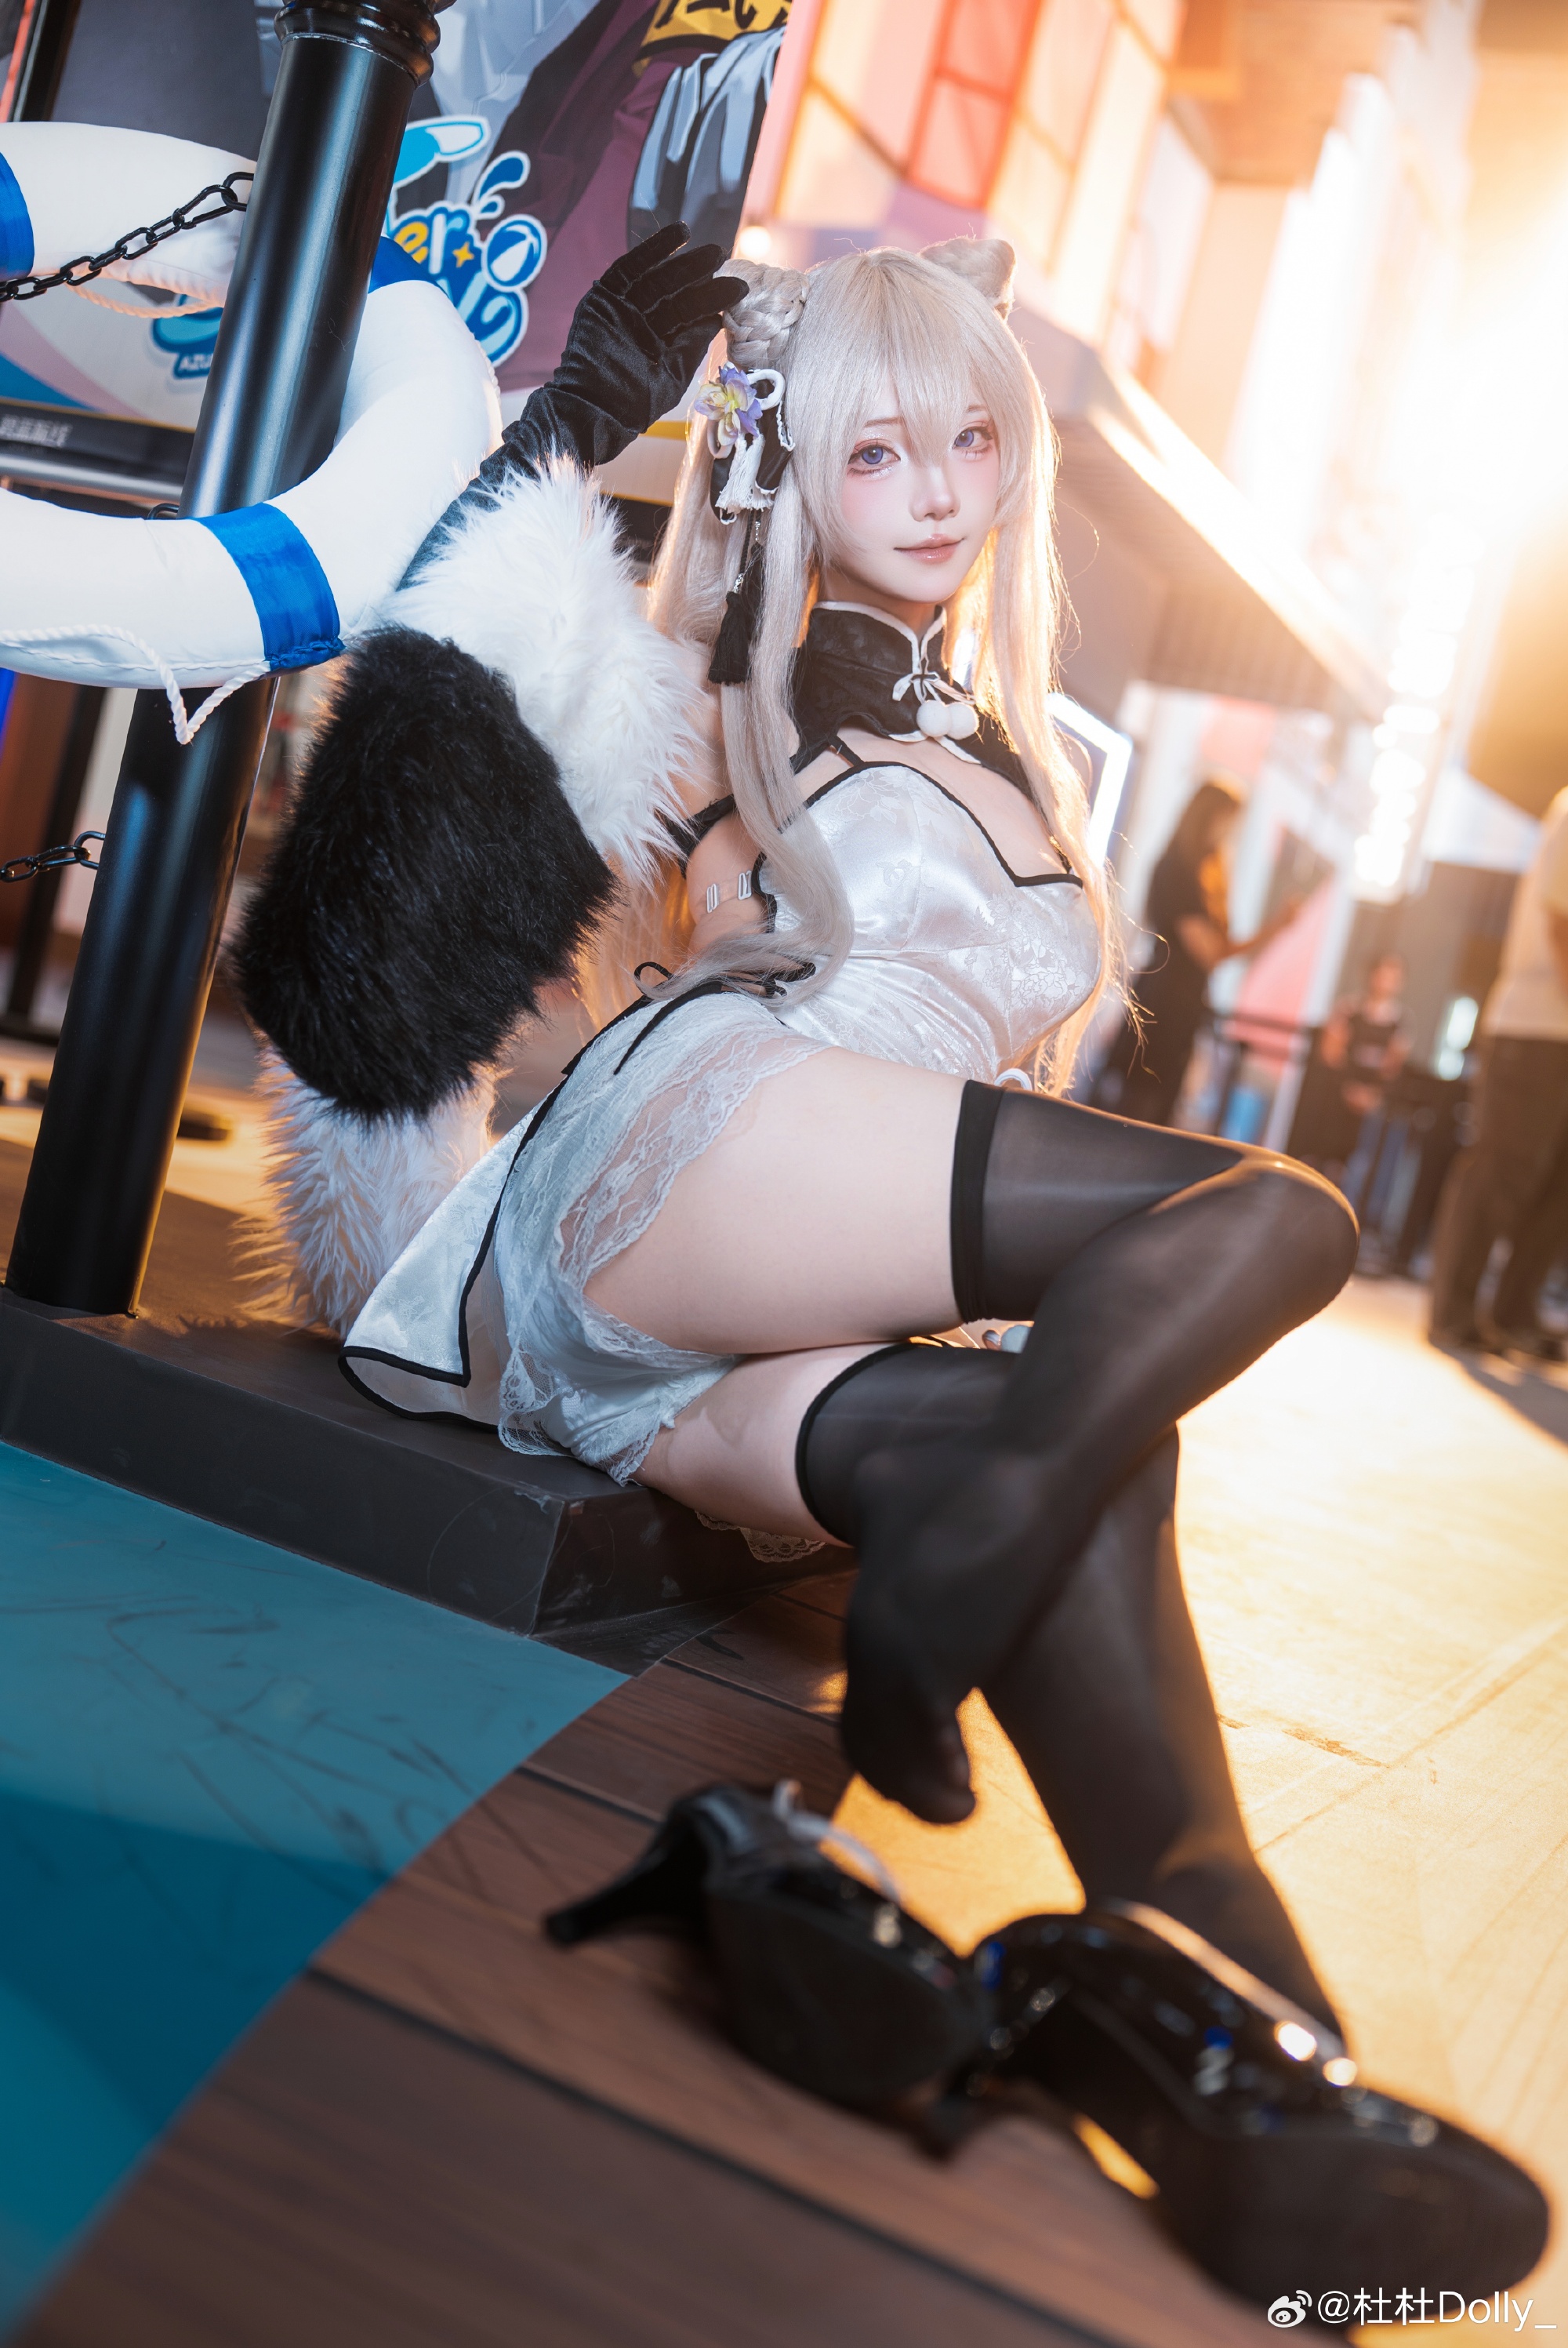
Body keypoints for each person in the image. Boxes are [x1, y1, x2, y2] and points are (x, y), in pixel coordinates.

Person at [235, 231, 1544, 2301]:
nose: (938, 490)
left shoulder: (1004, 732)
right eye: (876, 451)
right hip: (697, 1162)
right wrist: (567, 437)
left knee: (1086, 1471)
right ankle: (950, 1593)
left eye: (970, 440)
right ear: (791, 468)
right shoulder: (710, 679)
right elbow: (393, 845)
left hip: (746, 1348)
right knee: (1275, 1211)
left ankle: (1267, 2089)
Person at [1429, 785, 1568, 1360]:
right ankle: (1454, 1313)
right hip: (1534, 1025)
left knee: (1559, 1186)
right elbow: (1560, 920)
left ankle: (1514, 1314)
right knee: (1499, 1172)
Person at [1303, 951, 1412, 1192]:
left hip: (1369, 1107)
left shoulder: (1400, 1021)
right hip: (1335, 1098)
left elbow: (1394, 1065)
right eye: (1382, 974)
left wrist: (1372, 1095)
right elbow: (1331, 1053)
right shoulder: (1348, 1009)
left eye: (1393, 977)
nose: (1386, 982)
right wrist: (1348, 1088)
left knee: (1354, 1165)